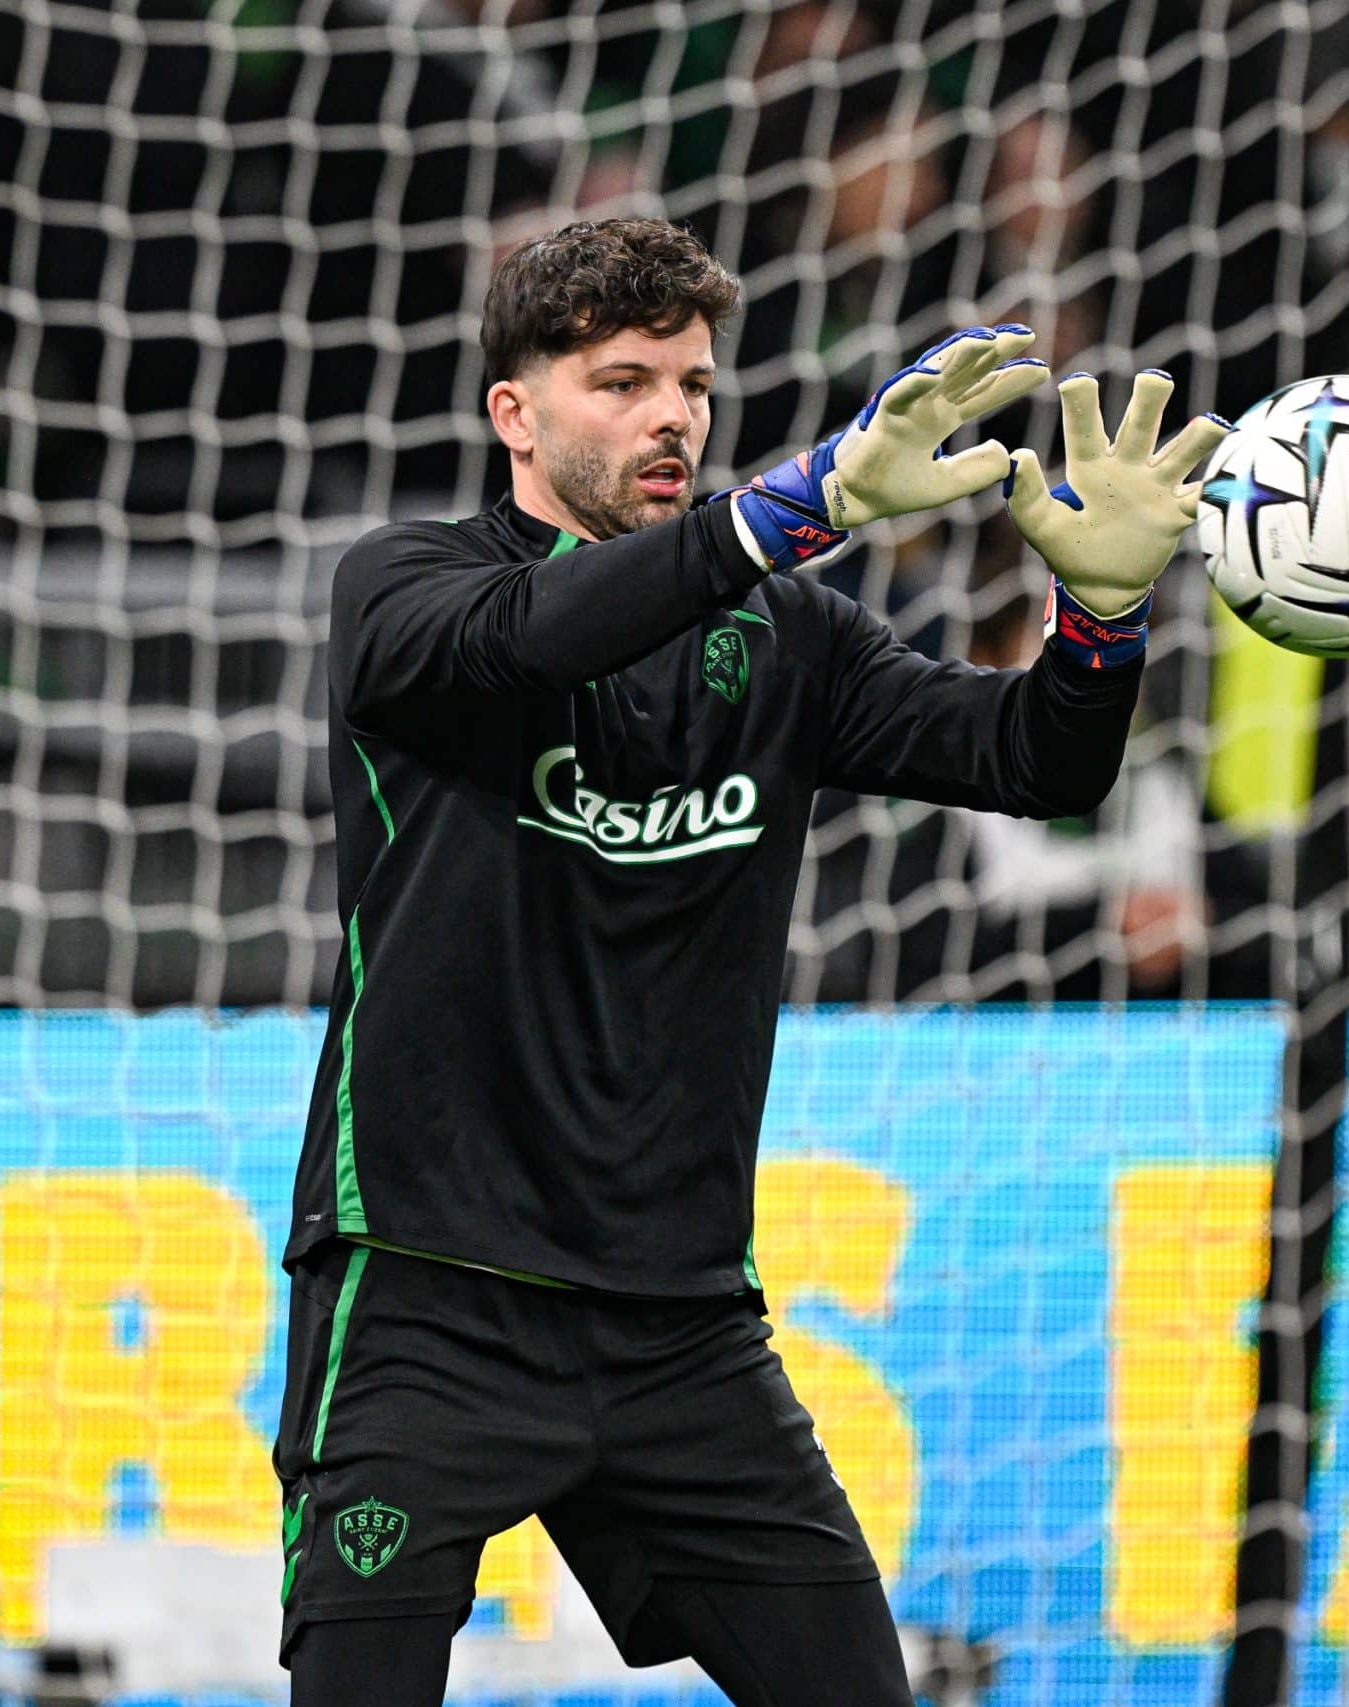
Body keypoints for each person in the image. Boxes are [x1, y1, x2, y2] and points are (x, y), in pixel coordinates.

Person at [271, 215, 1227, 1704]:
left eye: (696, 386)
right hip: (427, 1298)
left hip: (677, 1323)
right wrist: (794, 510)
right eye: (623, 380)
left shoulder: (785, 636)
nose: (672, 416)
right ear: (512, 415)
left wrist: (1098, 622)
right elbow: (540, 636)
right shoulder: (404, 591)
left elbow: (1034, 764)